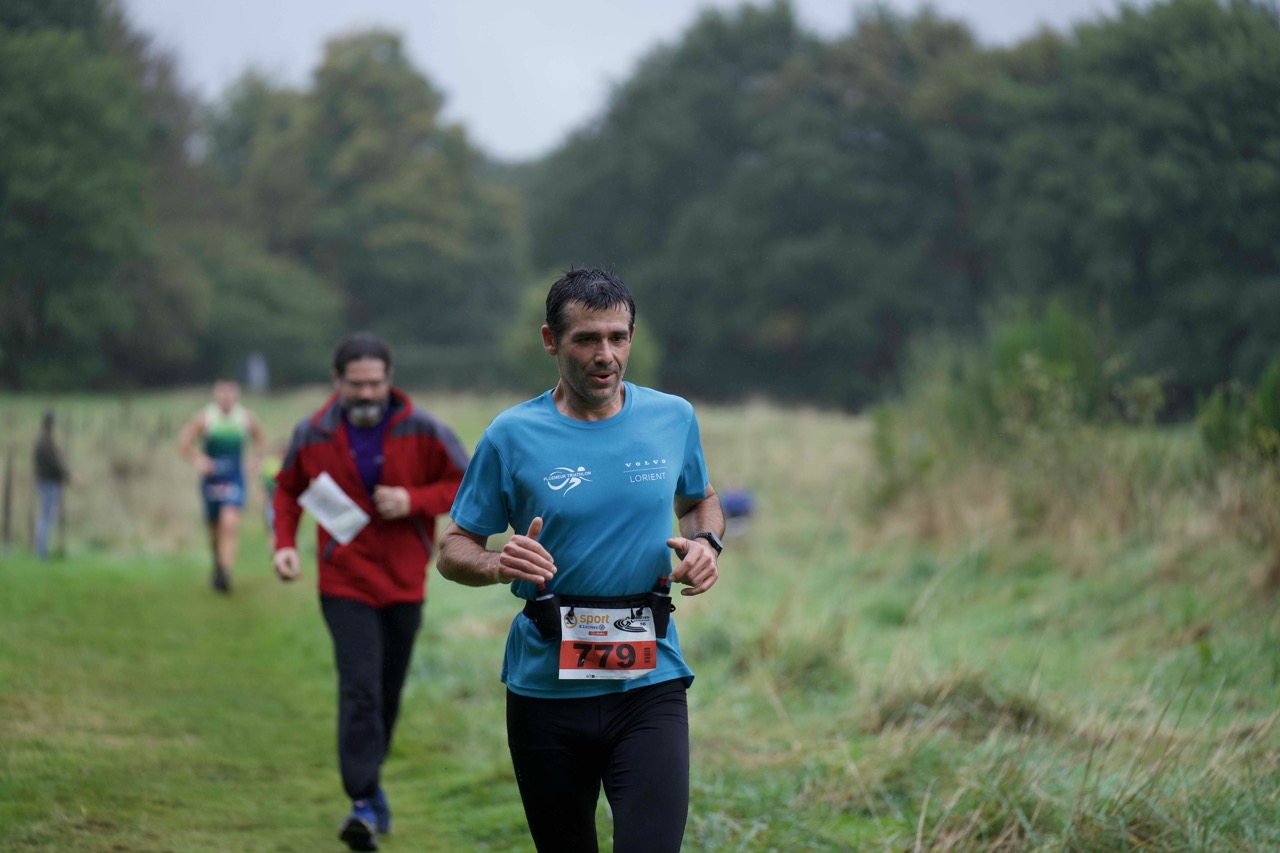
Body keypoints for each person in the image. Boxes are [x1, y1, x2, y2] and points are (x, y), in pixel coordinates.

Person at [437, 267, 725, 853]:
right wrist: (498, 564)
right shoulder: (510, 434)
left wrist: (706, 545)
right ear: (551, 340)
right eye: (586, 339)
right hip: (546, 689)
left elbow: (699, 502)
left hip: (648, 681)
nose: (605, 355)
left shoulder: (672, 417)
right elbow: (453, 548)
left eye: (618, 337)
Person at [270, 332, 469, 853]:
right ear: (337, 381)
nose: (366, 393)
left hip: (405, 581)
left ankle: (371, 787)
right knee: (360, 687)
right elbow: (287, 488)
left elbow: (467, 483)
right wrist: (283, 544)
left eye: (374, 383)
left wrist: (413, 499)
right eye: (356, 384)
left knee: (387, 692)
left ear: (389, 380)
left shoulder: (424, 429)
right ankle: (361, 801)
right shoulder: (312, 432)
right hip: (345, 582)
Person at [178, 379, 266, 593]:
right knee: (214, 528)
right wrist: (199, 459)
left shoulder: (245, 418)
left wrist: (255, 460)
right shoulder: (205, 418)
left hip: (234, 477)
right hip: (212, 479)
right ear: (216, 394)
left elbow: (259, 439)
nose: (226, 397)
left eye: (230, 393)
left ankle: (225, 572)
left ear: (236, 394)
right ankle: (217, 564)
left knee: (229, 523)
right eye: (222, 393)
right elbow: (184, 443)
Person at [32, 411, 72, 560]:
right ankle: (41, 551)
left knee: (46, 516)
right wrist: (68, 476)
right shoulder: (45, 443)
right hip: (48, 483)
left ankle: (41, 549)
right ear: (50, 425)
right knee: (46, 516)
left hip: (44, 482)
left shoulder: (42, 441)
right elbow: (54, 464)